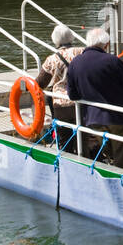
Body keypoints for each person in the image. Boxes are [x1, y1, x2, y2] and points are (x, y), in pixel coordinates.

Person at [65, 28, 123, 167]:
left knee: (108, 149)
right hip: (119, 117)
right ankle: (121, 181)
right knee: (121, 153)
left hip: (93, 118)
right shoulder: (112, 61)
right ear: (106, 44)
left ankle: (110, 172)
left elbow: (72, 94)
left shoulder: (75, 63)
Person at [35, 24, 84, 152]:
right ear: (71, 37)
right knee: (83, 137)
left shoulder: (52, 59)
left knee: (65, 139)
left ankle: (66, 164)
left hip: (61, 104)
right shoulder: (82, 52)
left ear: (55, 40)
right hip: (82, 101)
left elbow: (40, 83)